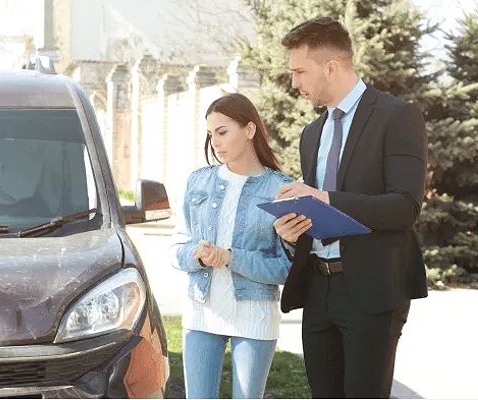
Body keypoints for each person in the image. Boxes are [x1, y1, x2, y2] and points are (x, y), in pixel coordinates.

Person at [272, 17, 428, 398]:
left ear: (332, 67)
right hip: (317, 290)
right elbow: (318, 217)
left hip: (372, 289)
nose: (294, 83)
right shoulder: (312, 134)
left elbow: (404, 207)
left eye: (300, 71)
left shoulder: (397, 116)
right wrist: (291, 231)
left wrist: (326, 198)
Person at [170, 93, 293, 399]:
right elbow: (177, 248)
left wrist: (230, 257)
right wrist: (197, 256)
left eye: (223, 132)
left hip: (255, 315)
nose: (215, 142)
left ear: (249, 130)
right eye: (211, 134)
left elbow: (285, 268)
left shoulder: (281, 188)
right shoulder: (198, 182)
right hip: (201, 313)